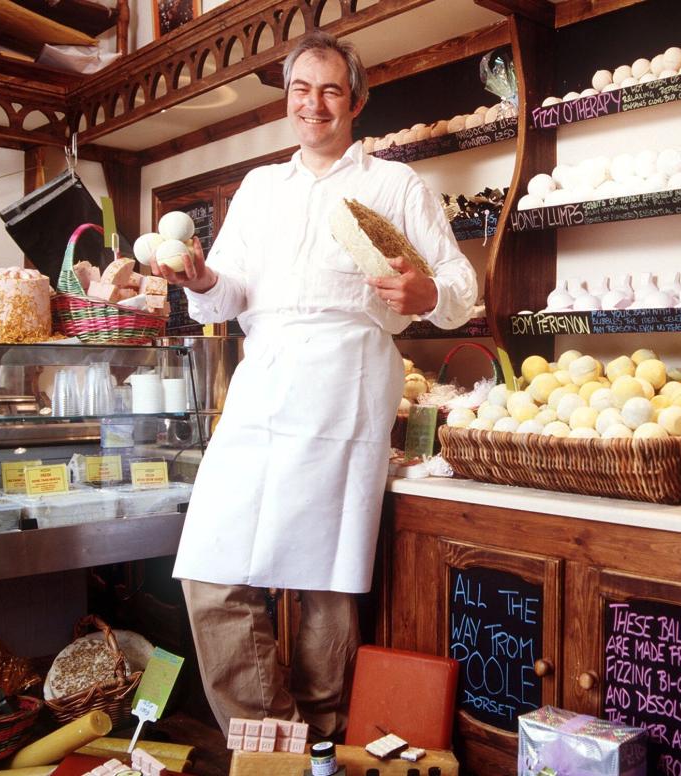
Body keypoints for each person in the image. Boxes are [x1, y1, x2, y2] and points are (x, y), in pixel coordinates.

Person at [152, 30, 478, 739]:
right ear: (287, 100)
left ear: (355, 100)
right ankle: (273, 738)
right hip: (263, 378)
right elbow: (225, 292)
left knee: (324, 581)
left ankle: (322, 738)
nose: (314, 103)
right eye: (301, 89)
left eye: (330, 89)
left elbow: (459, 287)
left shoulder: (392, 184)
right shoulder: (260, 187)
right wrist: (202, 279)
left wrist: (425, 292)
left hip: (347, 377)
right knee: (210, 566)